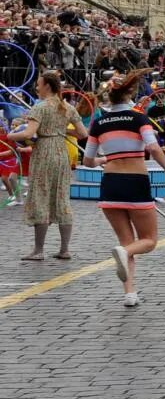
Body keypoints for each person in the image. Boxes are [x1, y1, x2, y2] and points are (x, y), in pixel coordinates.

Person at [79, 69, 165, 307]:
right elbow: (154, 148)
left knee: (126, 242)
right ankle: (126, 268)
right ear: (130, 93)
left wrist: (106, 159)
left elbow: (87, 161)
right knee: (149, 240)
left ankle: (129, 293)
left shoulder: (99, 123)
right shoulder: (139, 118)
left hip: (110, 184)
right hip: (135, 181)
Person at [11, 71, 86, 261]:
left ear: (47, 86)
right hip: (61, 152)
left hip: (44, 152)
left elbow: (29, 133)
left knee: (40, 196)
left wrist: (9, 136)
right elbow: (82, 133)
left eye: (39, 84)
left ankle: (38, 250)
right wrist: (59, 130)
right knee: (61, 197)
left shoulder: (40, 107)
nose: (36, 87)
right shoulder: (67, 107)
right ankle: (64, 249)